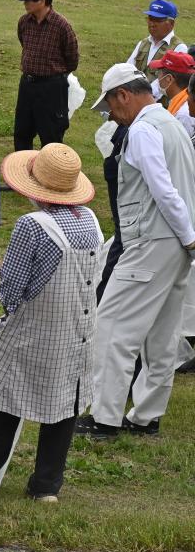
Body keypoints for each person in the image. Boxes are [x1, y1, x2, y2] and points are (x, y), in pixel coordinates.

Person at [0, 143, 100, 503]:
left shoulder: (32, 225)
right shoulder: (90, 220)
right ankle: (46, 486)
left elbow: (10, 287)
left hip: (34, 326)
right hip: (77, 329)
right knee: (65, 404)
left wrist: (9, 310)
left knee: (2, 396)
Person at [77, 64, 195, 439]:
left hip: (152, 240)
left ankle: (105, 417)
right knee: (163, 333)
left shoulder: (143, 130)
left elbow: (163, 190)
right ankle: (146, 415)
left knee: (111, 325)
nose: (111, 115)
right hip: (174, 243)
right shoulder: (173, 124)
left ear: (124, 95)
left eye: (110, 106)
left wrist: (189, 237)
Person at [12, 0, 79, 151]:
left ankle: (51, 175)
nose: (25, 4)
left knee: (51, 137)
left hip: (51, 88)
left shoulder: (61, 26)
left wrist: (53, 75)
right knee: (21, 133)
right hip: (27, 85)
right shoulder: (24, 22)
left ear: (41, 1)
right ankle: (20, 174)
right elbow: (24, 43)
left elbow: (72, 59)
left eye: (28, 0)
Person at [127, 0, 183, 100]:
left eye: (158, 20)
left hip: (162, 108)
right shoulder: (143, 43)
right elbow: (128, 69)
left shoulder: (179, 48)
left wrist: (141, 98)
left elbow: (167, 81)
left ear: (171, 23)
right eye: (150, 18)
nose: (152, 23)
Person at [149, 50, 195, 137]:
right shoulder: (179, 102)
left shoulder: (184, 115)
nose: (157, 79)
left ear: (169, 79)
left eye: (159, 73)